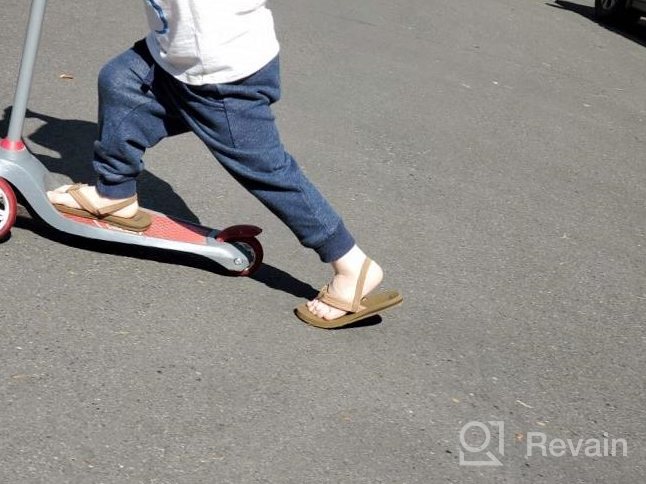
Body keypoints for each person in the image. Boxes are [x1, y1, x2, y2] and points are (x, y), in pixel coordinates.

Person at [47, 0, 402, 328]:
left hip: (225, 76)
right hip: (173, 59)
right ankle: (115, 192)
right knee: (121, 81)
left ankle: (350, 263)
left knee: (266, 170)